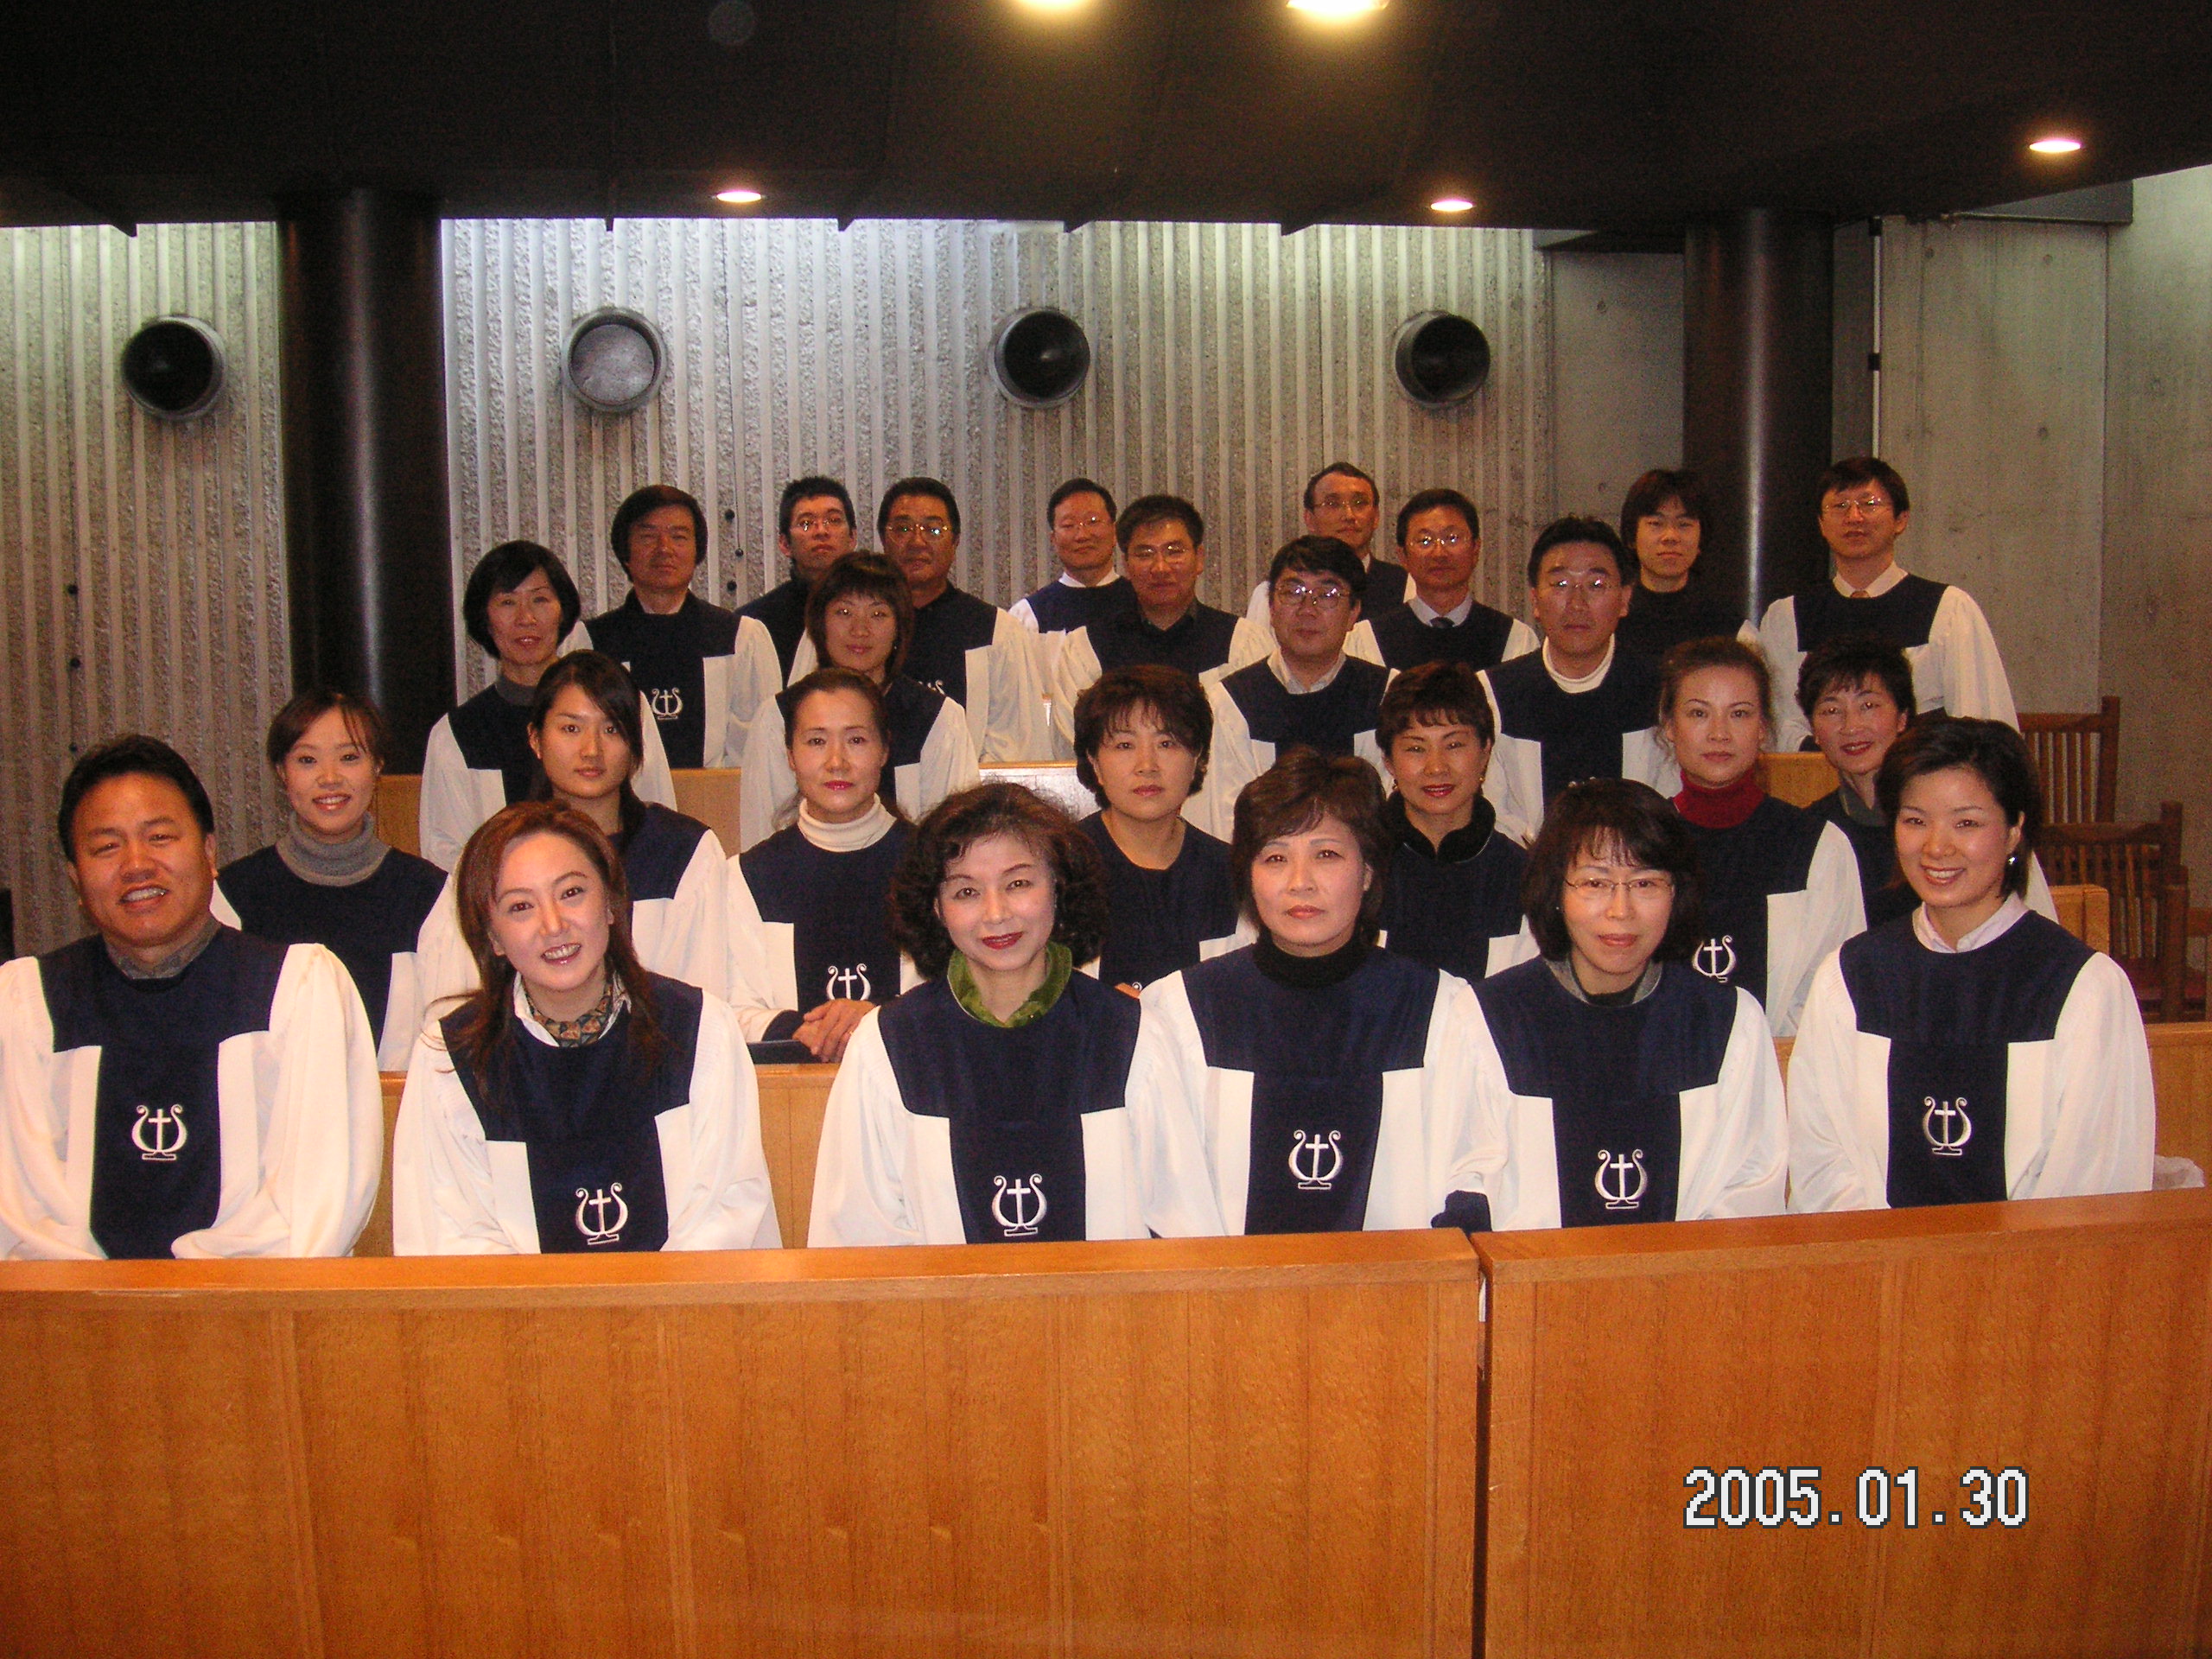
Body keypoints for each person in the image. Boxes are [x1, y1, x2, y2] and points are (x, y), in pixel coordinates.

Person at [0, 737, 382, 1259]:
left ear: (209, 851)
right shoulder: (27, 1005)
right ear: (75, 877)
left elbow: (317, 1207)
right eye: (106, 847)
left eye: (159, 837)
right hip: (74, 1305)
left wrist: (197, 1293)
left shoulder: (296, 991)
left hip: (254, 1301)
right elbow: (18, 1214)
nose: (136, 865)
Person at [809, 784, 1220, 1246]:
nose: (996, 913)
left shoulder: (1128, 1035)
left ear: (1059, 887)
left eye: (1018, 884)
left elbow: (1183, 1233)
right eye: (966, 891)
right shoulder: (889, 1045)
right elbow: (857, 1239)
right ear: (936, 908)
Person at [1788, 718, 2152, 1211]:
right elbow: (1821, 1160)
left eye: (1967, 823)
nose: (1937, 847)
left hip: (2037, 1257)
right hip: (1877, 1255)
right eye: (1915, 820)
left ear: (2014, 831)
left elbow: (2095, 1175)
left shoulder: (2081, 987)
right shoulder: (1852, 978)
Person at [1127, 750, 1491, 1234]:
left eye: (1327, 855)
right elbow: (1166, 1201)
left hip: (1399, 1278)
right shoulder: (1183, 1011)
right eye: (1276, 858)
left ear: (1367, 871)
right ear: (1248, 874)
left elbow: (1471, 1171)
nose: (1300, 883)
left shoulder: (1439, 1009)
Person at [392, 802, 779, 1254]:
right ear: (493, 936)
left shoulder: (698, 1029)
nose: (553, 925)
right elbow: (452, 1233)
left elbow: (726, 1208)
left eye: (571, 893)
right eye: (520, 907)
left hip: (683, 1295)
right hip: (516, 1301)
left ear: (612, 903)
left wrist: (648, 1293)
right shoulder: (450, 1059)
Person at [1453, 779, 1788, 1230]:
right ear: (1556, 892)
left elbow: (1750, 1190)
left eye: (1645, 883)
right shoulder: (1487, 1020)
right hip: (1532, 1271)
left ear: (1677, 892)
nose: (1620, 910)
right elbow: (1468, 1184)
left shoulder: (1727, 1023)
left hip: (1692, 1270)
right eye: (1595, 883)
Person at [418, 652, 731, 1007]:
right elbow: (459, 991)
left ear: (635, 744)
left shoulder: (684, 851)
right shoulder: (495, 851)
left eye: (612, 729)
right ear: (535, 739)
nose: (591, 749)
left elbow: (703, 995)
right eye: (571, 728)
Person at [213, 690, 446, 1070]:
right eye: (307, 760)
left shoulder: (431, 895)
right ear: (282, 772)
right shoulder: (233, 896)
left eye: (349, 757)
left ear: (377, 766)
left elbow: (448, 1038)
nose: (330, 778)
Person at [420, 540, 676, 870]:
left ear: (563, 610)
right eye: (507, 602)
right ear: (485, 618)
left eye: (540, 600)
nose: (526, 618)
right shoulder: (458, 733)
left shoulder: (619, 703)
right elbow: (447, 859)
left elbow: (656, 816)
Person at [1656, 637, 1864, 1037]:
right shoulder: (1640, 844)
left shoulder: (1817, 846)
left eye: (1739, 714)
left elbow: (1835, 994)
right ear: (1669, 725)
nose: (1719, 733)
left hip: (1782, 1061)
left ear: (1764, 728)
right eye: (1699, 713)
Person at [1759, 457, 2018, 750]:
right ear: (1821, 523)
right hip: (1818, 771)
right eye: (1840, 506)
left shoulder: (1948, 609)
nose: (1854, 517)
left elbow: (1981, 722)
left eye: (1868, 504)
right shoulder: (1788, 616)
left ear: (1901, 519)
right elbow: (1780, 725)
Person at [727, 668, 916, 1058]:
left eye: (856, 740)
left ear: (884, 750)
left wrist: (881, 1017)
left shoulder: (934, 866)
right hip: (790, 1087)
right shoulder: (748, 877)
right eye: (816, 741)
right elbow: (729, 1007)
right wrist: (806, 1030)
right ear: (790, 756)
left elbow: (965, 988)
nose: (836, 762)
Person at [792, 478, 1049, 762]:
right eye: (903, 529)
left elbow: (1017, 746)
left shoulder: (996, 632)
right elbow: (800, 722)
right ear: (883, 538)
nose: (917, 542)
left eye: (934, 529)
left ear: (955, 541)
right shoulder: (837, 628)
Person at [735, 553, 980, 850]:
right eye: (844, 612)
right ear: (820, 623)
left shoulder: (937, 718)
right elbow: (762, 833)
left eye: (878, 614)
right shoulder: (778, 717)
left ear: (899, 627)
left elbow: (952, 839)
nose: (860, 629)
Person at [1479, 517, 1676, 840]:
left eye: (1596, 585)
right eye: (1560, 584)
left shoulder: (1662, 691)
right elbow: (1494, 819)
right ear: (1535, 599)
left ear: (1625, 599)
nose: (1577, 603)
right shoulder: (1493, 694)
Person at [1188, 537, 1395, 840]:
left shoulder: (1388, 697)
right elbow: (1222, 826)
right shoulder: (1229, 704)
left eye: (1327, 594)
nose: (1307, 609)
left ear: (1354, 613)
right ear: (1271, 607)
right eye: (1293, 592)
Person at [569, 483, 781, 769]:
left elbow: (758, 745)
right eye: (648, 537)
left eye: (679, 537)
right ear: (625, 551)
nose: (664, 549)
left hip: (719, 794)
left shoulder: (740, 638)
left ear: (697, 551)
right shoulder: (590, 643)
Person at [1071, 665, 1246, 994]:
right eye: (1124, 745)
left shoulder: (1231, 872)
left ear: (1197, 759)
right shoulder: (1062, 869)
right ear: (1095, 764)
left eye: (1166, 743)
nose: (1147, 765)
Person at [1050, 493, 1253, 752]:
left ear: (1199, 558)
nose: (1160, 568)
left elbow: (1251, 746)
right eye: (1145, 554)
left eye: (1174, 552)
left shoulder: (1241, 642)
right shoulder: (1086, 648)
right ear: (1126, 564)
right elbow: (1075, 747)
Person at [1373, 663, 1536, 982]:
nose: (1436, 767)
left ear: (1485, 751)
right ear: (1388, 761)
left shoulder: (1527, 877)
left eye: (1454, 745)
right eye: (1416, 748)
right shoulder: (1357, 870)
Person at [1797, 635, 1923, 929]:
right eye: (1832, 711)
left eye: (1868, 705)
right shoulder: (1809, 832)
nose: (1851, 726)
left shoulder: (1937, 819)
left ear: (1902, 718)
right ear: (1814, 730)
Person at [1352, 488, 1536, 672]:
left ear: (1476, 549)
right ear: (1403, 556)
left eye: (1452, 538)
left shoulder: (1516, 638)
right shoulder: (1366, 640)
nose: (1439, 553)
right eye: (1425, 541)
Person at [1611, 469, 1757, 663]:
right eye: (1656, 523)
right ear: (1632, 536)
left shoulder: (1731, 629)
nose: (1670, 536)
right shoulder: (1609, 621)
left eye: (1684, 524)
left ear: (1701, 538)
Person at [1243, 461, 1408, 630]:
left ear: (1376, 517)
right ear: (1309, 519)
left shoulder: (1406, 586)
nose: (1349, 515)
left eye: (1359, 503)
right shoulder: (1276, 592)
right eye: (1333, 504)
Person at [1009, 478, 1137, 687]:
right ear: (1053, 539)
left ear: (1114, 532)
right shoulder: (1028, 617)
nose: (1082, 535)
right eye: (1069, 525)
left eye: (1093, 521)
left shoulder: (1144, 602)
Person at [739, 475, 860, 678]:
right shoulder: (756, 624)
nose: (821, 531)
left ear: (852, 537)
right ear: (785, 543)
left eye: (834, 520)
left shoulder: (881, 612)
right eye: (806, 523)